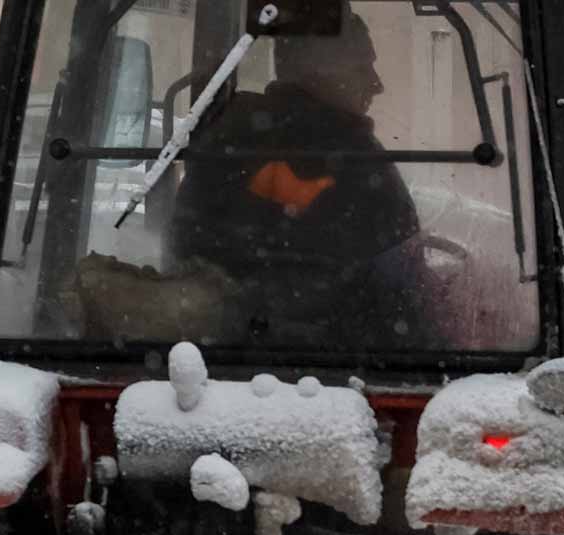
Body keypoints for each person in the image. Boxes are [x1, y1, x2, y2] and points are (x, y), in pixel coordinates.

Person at [171, 14, 423, 343]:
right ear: (318, 68)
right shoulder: (352, 158)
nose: (376, 83)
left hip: (218, 348)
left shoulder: (227, 134)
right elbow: (398, 284)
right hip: (340, 364)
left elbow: (188, 249)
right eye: (363, 66)